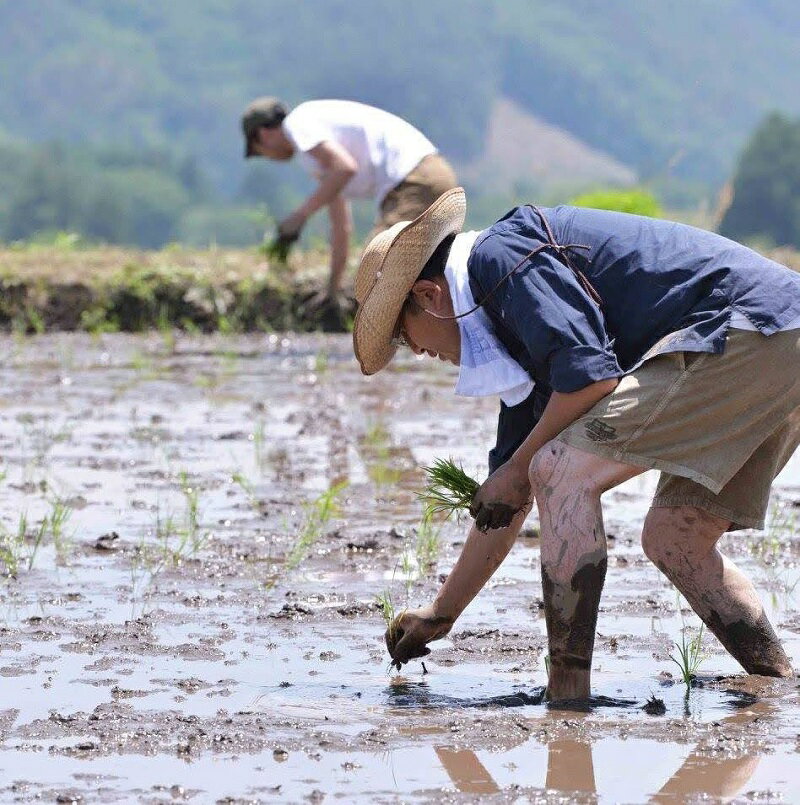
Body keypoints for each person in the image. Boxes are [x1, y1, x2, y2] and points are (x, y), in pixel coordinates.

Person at [351, 186, 800, 701]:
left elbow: (590, 381)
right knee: (676, 537)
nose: (415, 351)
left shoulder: (501, 260)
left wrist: (517, 471)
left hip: (748, 328)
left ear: (429, 297)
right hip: (781, 337)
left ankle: (568, 697)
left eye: (403, 335)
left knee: (560, 472)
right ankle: (776, 682)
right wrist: (442, 612)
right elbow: (508, 501)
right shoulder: (515, 339)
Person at [242, 97, 457, 308]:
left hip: (415, 182)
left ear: (263, 135)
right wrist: (332, 288)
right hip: (429, 176)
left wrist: (299, 217)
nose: (267, 157)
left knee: (376, 271)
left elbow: (344, 168)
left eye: (259, 151)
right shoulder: (318, 145)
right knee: (420, 275)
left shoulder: (297, 124)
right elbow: (341, 227)